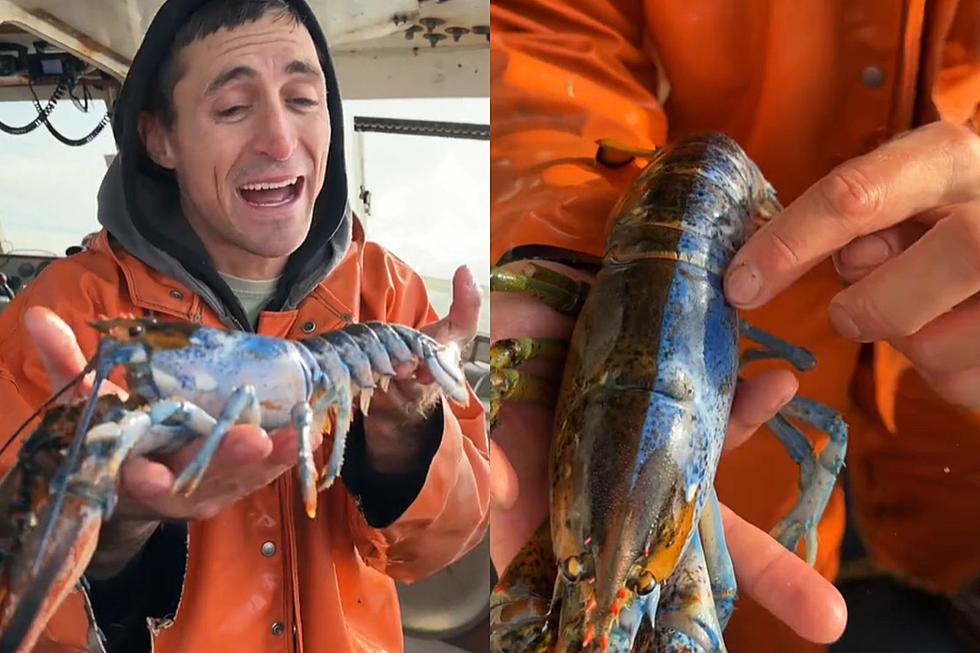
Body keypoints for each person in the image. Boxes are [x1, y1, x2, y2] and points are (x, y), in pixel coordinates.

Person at [488, 1, 980, 652]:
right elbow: (544, 29)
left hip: (954, 458)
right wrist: (557, 242)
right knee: (752, 608)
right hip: (767, 337)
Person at [0, 1, 490, 651]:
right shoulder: (60, 320)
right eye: (233, 108)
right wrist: (121, 528)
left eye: (303, 99)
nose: (280, 141)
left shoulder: (388, 290)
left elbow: (438, 551)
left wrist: (408, 437)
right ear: (159, 138)